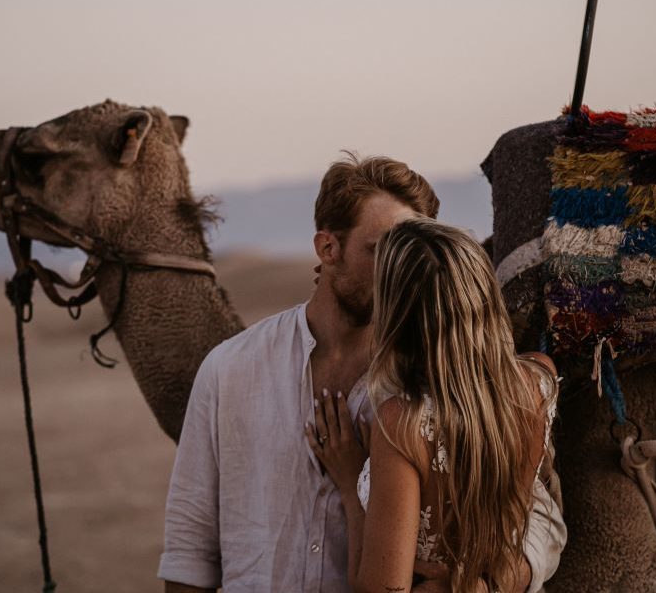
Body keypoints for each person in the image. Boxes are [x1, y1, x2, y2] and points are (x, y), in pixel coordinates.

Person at [159, 154, 566, 593]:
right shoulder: (230, 370)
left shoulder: (443, 385)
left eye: (409, 253)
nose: (401, 273)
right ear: (328, 248)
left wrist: (483, 584)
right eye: (383, 251)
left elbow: (537, 521)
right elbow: (190, 551)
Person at [308, 217, 560, 593]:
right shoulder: (537, 380)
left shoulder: (401, 424)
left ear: (397, 314)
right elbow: (533, 510)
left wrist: (349, 484)